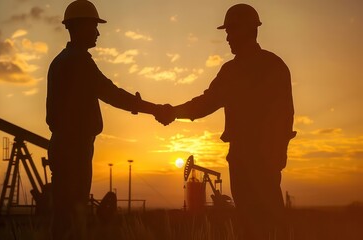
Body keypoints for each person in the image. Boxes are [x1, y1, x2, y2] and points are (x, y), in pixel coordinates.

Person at [157, 4, 296, 240]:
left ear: (250, 30)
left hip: (256, 158)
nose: (228, 38)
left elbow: (284, 116)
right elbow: (206, 103)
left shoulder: (251, 69)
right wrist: (173, 111)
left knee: (264, 223)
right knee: (256, 224)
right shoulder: (268, 66)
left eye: (232, 31)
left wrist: (172, 112)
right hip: (250, 158)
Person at [45, 1, 166, 239]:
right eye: (94, 27)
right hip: (75, 148)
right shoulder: (79, 62)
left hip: (65, 145)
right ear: (79, 27)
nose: (98, 33)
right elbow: (111, 93)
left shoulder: (61, 61)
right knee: (72, 215)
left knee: (64, 215)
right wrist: (153, 109)